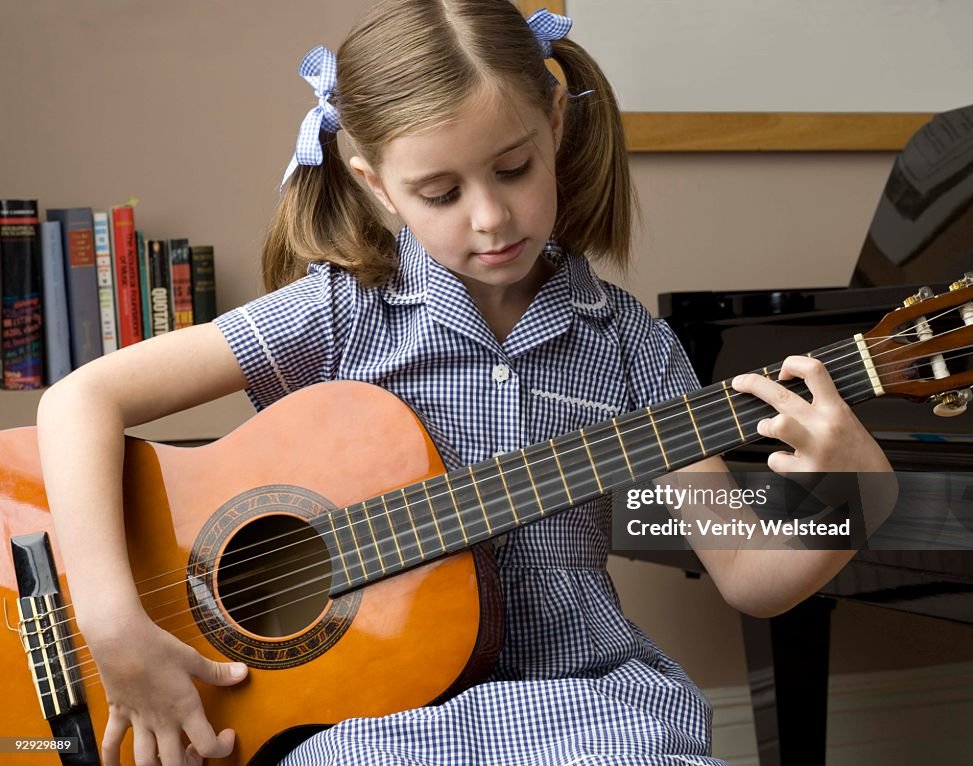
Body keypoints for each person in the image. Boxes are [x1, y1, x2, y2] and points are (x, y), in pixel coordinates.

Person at [36, 1, 893, 764]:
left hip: (585, 708)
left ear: (556, 122)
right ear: (375, 186)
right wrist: (118, 630)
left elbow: (745, 570)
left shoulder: (631, 346)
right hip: (369, 722)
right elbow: (79, 399)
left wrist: (855, 492)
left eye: (513, 169)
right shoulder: (339, 313)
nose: (490, 217)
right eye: (439, 191)